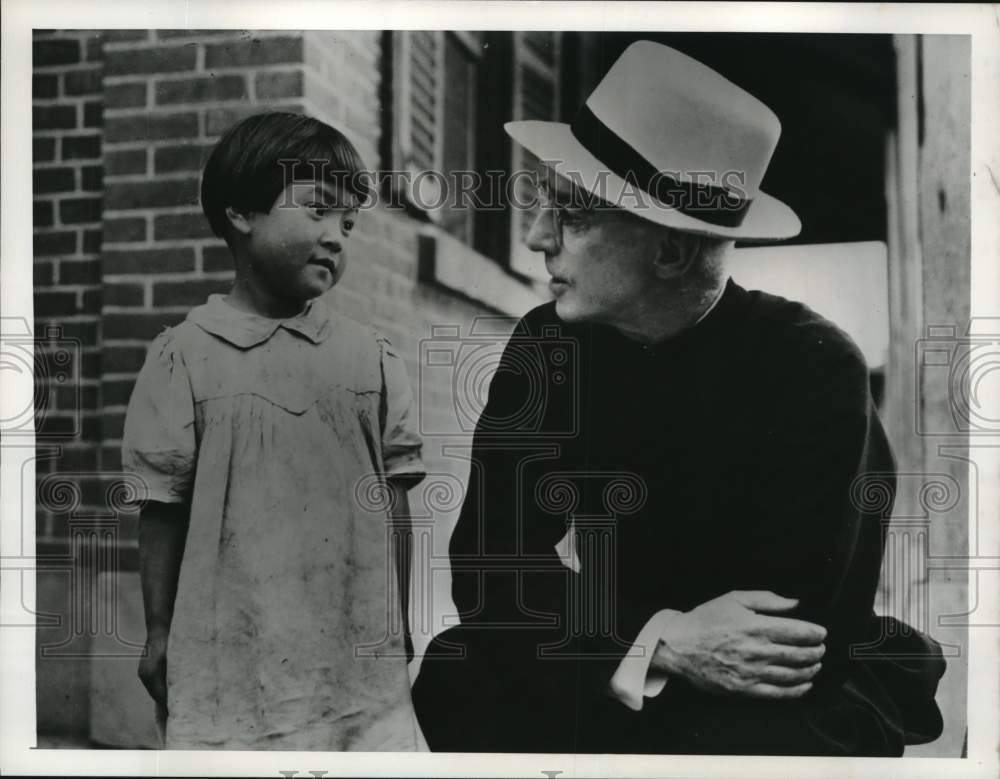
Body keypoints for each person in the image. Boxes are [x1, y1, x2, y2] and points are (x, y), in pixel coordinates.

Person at [412, 41, 945, 755]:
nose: (538, 237)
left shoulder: (812, 366)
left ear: (669, 253)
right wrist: (659, 640)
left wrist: (650, 643)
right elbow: (488, 566)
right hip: (620, 660)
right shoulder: (549, 346)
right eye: (544, 207)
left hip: (768, 696)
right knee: (455, 672)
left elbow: (781, 638)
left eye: (572, 215)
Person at [124, 112, 426, 750]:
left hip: (356, 660)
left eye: (348, 221)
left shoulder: (369, 359)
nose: (337, 236)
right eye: (316, 209)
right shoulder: (185, 357)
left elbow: (394, 501)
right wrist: (157, 632)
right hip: (229, 657)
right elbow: (162, 507)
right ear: (242, 213)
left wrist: (398, 623)